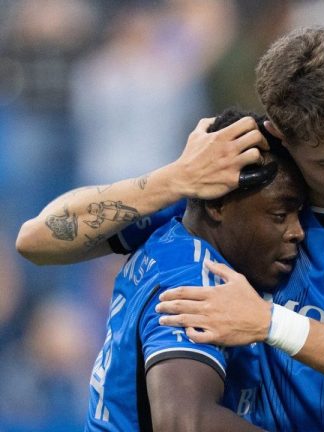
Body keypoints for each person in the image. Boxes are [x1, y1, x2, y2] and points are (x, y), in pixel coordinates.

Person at [17, 26, 324, 431]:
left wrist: (269, 323)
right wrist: (175, 179)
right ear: (280, 134)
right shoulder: (242, 185)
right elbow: (37, 241)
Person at [84, 108, 306, 431]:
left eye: (298, 214)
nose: (297, 231)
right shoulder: (195, 278)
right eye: (279, 215)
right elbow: (183, 423)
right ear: (217, 206)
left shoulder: (170, 238)